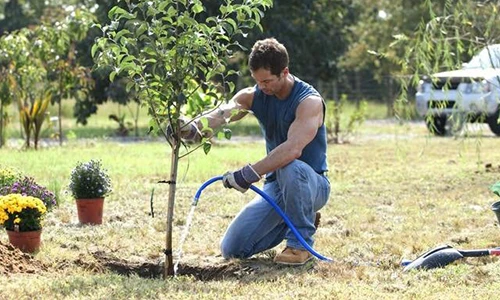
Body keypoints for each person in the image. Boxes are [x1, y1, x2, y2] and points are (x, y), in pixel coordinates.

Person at [179, 38, 330, 265]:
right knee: (233, 248)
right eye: (257, 81)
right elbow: (224, 112)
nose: (262, 87)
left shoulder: (308, 101)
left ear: (285, 72)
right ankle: (300, 216)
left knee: (290, 165)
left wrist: (249, 173)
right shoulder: (255, 95)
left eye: (267, 81)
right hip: (276, 185)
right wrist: (192, 128)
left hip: (311, 184)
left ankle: (300, 245)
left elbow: (292, 149)